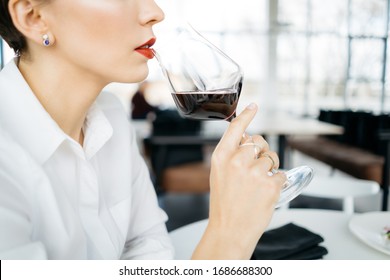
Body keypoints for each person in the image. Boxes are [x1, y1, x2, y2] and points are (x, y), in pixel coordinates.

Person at [0, 0, 286, 260]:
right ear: (33, 17)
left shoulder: (112, 116)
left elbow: (148, 246)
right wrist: (231, 233)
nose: (156, 13)